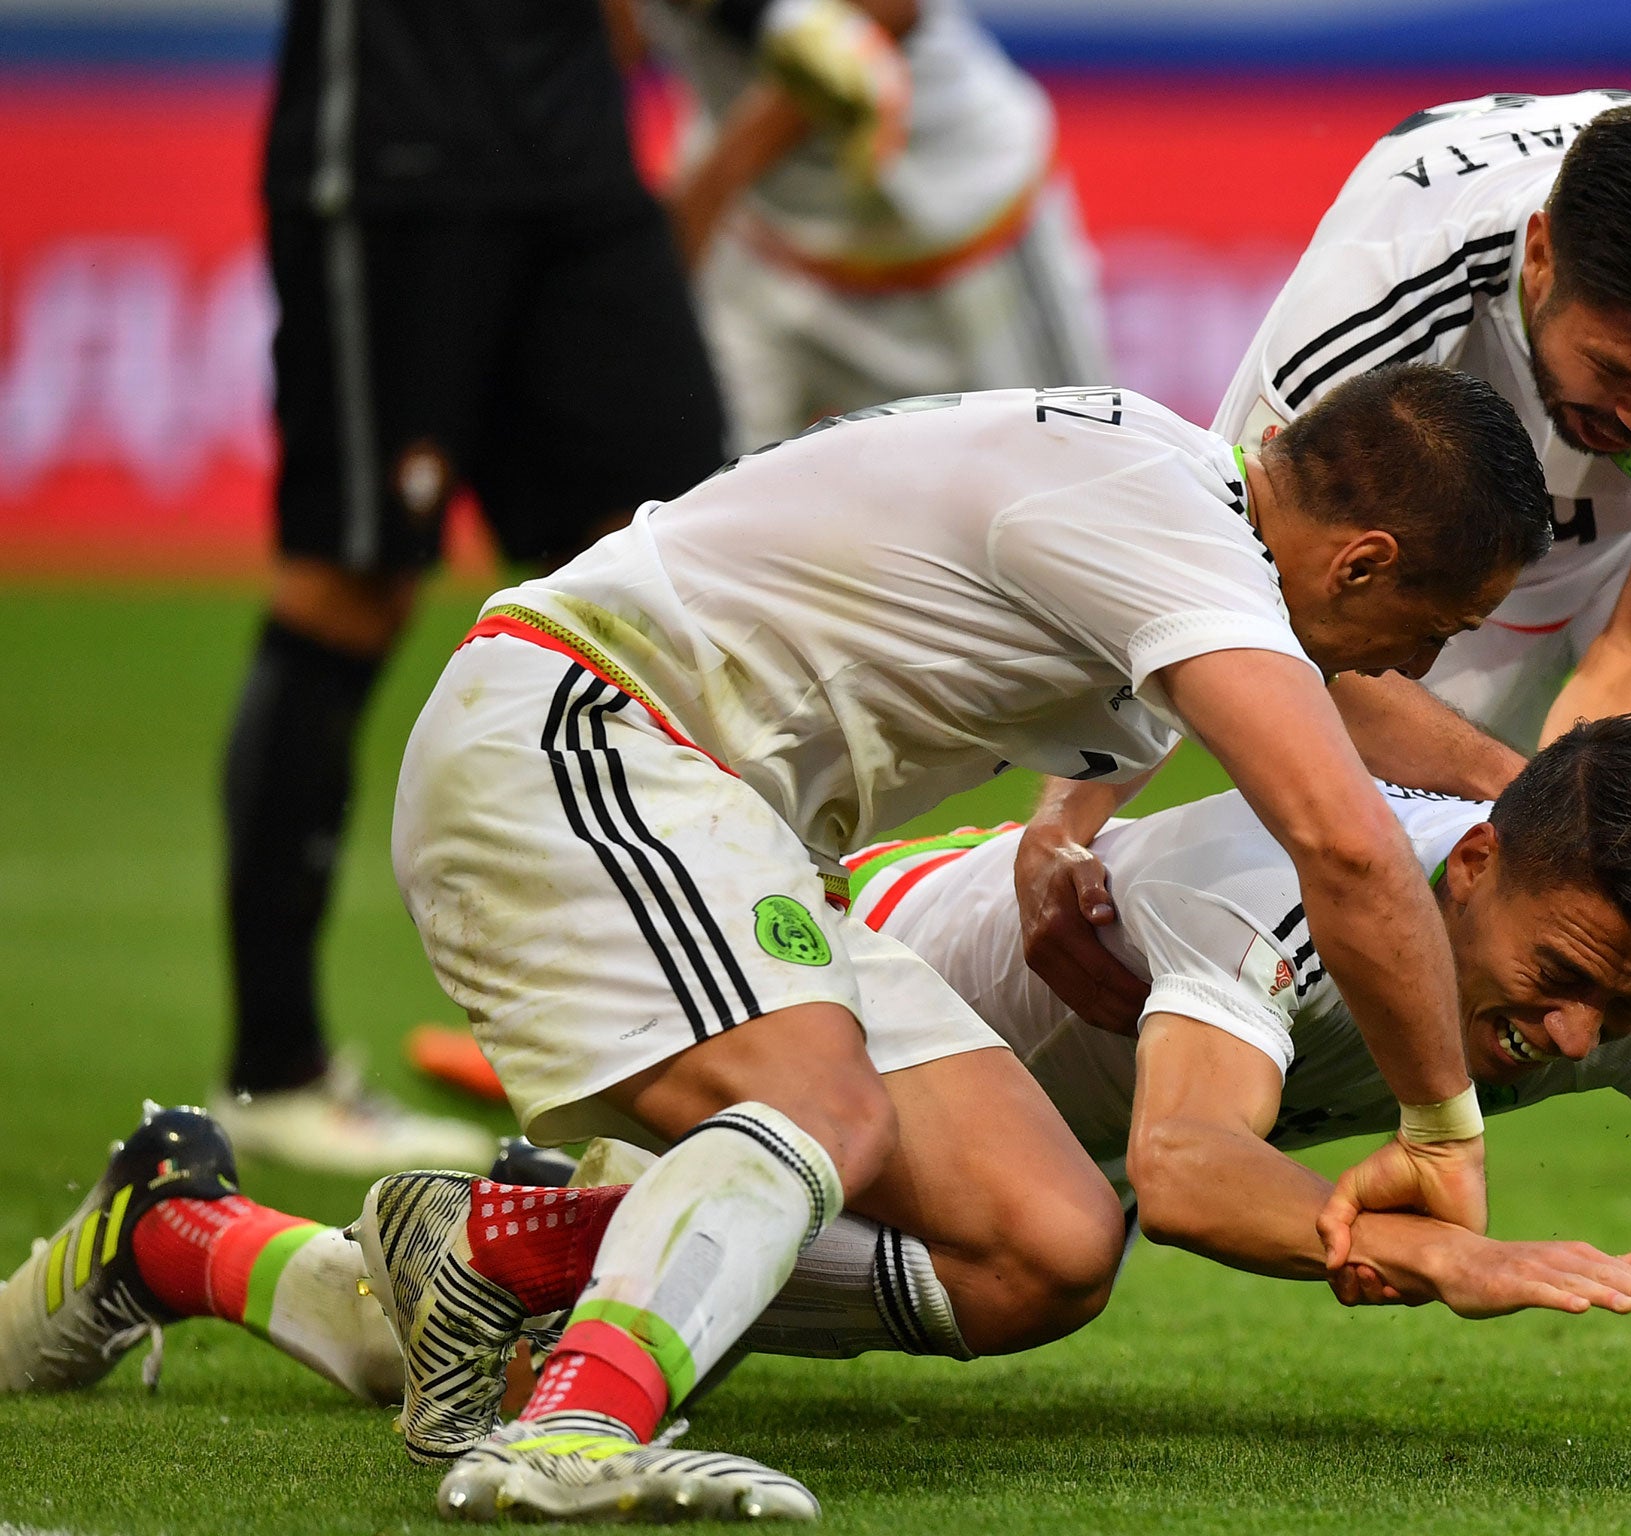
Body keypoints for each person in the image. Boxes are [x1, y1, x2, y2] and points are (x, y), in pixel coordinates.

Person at [14, 724, 1631, 1482]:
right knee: (1056, 1257)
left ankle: (171, 1232)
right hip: (844, 981)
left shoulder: (1619, 964)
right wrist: (1441, 1252)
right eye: (1557, 988)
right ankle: (526, 1232)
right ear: (1468, 866)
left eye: (1622, 1008)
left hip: (981, 1121)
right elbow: (1182, 1163)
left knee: (434, 1348)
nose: (1581, 1040)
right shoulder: (1298, 880)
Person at [391, 365, 1550, 1519]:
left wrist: (1545, 804)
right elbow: (1347, 848)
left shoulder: (1174, 500)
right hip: (591, 732)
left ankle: (502, 1251)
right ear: (1363, 561)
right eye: (1435, 629)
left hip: (728, 822)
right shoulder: (1175, 528)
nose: (1413, 669)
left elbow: (1313, 709)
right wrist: (1444, 1135)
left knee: (1045, 1247)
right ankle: (576, 1432)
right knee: (820, 1109)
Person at [1025, 89, 1631, 1425]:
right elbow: (1237, 590)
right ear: (1541, 259)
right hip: (1448, 515)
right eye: (1618, 370)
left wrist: (1554, 849)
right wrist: (1067, 819)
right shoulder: (1385, 280)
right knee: (1348, 716)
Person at [221, 0, 730, 1173]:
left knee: (665, 563)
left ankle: (668, 1037)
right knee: (353, 586)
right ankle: (274, 1066)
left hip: (575, 149)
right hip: (402, 140)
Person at [642, 0, 1110, 453]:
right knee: (725, 498)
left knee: (1061, 473)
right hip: (759, 237)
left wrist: (714, 183)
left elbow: (887, 10)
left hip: (953, 225)